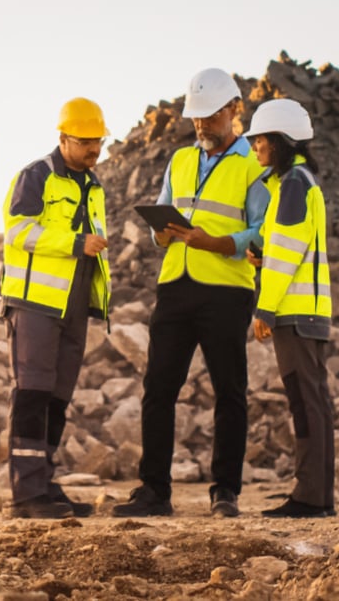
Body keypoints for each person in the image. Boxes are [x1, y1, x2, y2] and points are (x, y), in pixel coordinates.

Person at [112, 68, 268, 518]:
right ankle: (154, 491)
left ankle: (225, 492)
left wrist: (215, 243)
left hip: (226, 289)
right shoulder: (179, 161)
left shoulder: (252, 166)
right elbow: (161, 226)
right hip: (175, 287)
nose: (200, 125)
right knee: (158, 388)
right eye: (195, 117)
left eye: (210, 117)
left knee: (229, 392)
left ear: (234, 110)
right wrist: (162, 236)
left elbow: (260, 233)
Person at [0, 97, 112, 519]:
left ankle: (43, 483)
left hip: (75, 303)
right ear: (63, 138)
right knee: (32, 392)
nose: (94, 151)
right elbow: (18, 231)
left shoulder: (94, 185)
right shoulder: (37, 177)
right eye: (85, 142)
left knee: (58, 396)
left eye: (98, 143)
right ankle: (25, 495)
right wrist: (73, 243)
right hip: (35, 302)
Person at [245, 99, 335, 518]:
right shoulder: (294, 182)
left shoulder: (295, 183)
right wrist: (261, 253)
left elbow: (289, 253)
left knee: (306, 402)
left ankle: (310, 498)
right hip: (304, 311)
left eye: (260, 138)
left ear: (280, 140)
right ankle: (315, 495)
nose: (256, 145)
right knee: (310, 401)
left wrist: (264, 309)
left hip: (296, 313)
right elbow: (282, 247)